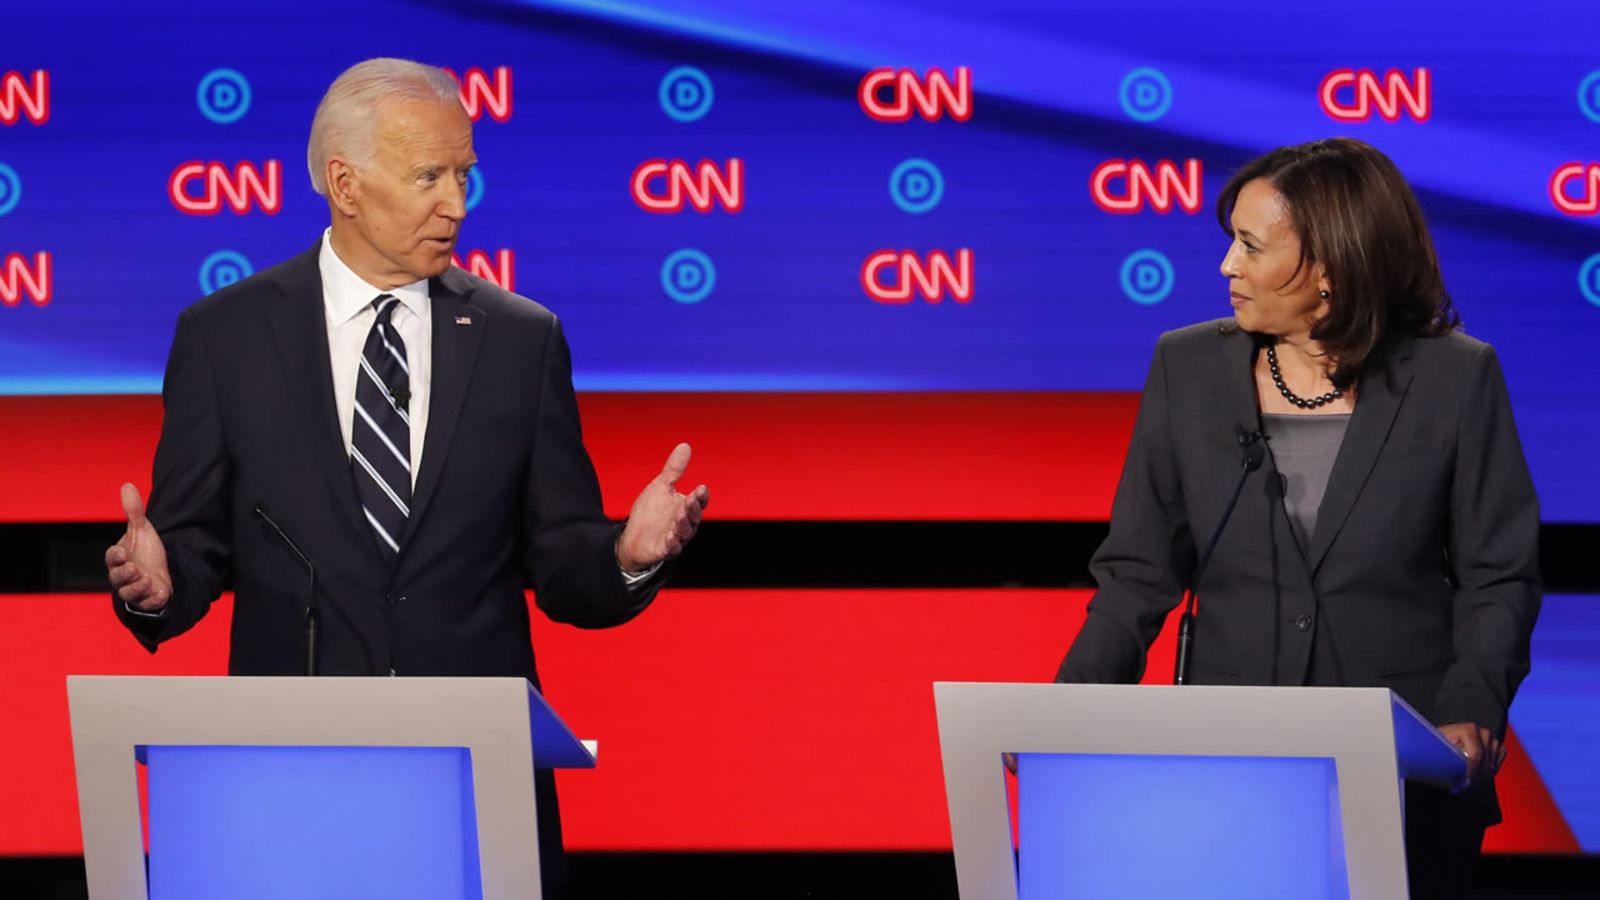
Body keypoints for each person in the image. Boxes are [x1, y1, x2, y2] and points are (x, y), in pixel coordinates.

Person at [102, 58, 709, 898]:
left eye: (464, 175)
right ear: (345, 185)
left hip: (476, 788)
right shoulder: (226, 336)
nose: (456, 204)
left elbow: (563, 563)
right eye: (429, 175)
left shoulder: (520, 341)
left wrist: (627, 556)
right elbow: (196, 544)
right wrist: (158, 583)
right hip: (291, 781)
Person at [1055, 137, 1541, 897]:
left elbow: (1499, 574)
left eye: (1251, 246)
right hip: (1229, 769)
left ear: (1330, 269)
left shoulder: (1456, 377)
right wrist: (1069, 712)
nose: (1227, 266)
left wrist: (1472, 709)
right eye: (1230, 243)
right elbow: (1137, 573)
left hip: (1405, 765)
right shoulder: (1186, 369)